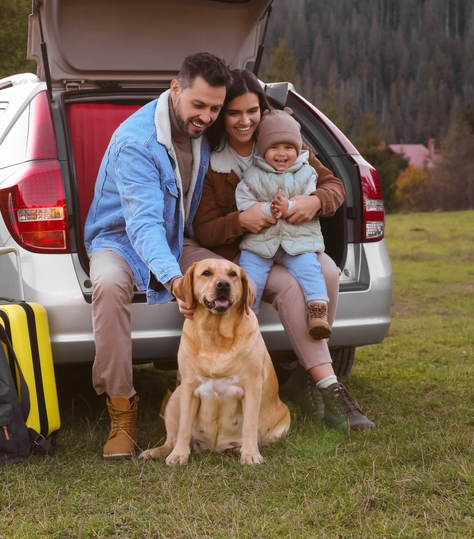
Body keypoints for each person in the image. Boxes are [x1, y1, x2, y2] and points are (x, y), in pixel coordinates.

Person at [192, 69, 374, 431]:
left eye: (252, 111)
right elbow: (204, 229)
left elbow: (334, 186)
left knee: (328, 273)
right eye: (233, 113)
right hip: (246, 252)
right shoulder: (213, 161)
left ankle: (306, 377)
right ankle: (325, 383)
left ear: (263, 109)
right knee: (291, 287)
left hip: (293, 242)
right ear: (220, 114)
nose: (245, 121)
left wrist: (315, 201)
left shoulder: (284, 143)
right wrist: (241, 221)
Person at [83, 52, 232, 459]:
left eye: (215, 108)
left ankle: (214, 388)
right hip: (118, 238)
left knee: (226, 275)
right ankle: (121, 410)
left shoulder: (204, 131)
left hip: (173, 235)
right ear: (175, 89)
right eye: (198, 105)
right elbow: (142, 225)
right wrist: (175, 280)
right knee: (110, 286)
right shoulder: (137, 141)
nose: (205, 116)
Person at [235, 107, 331, 339]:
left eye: (288, 147)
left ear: (297, 150)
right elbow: (243, 202)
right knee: (250, 276)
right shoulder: (252, 174)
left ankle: (317, 310)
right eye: (274, 147)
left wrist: (291, 207)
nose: (282, 153)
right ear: (262, 150)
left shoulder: (307, 173)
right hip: (260, 242)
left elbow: (310, 199)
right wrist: (266, 209)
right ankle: (246, 318)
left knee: (310, 269)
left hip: (297, 240)